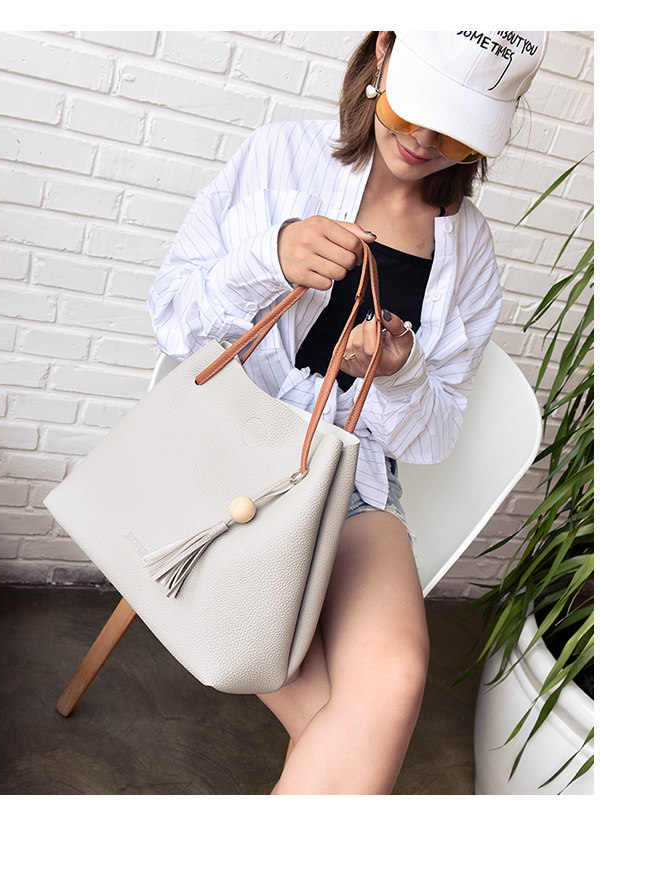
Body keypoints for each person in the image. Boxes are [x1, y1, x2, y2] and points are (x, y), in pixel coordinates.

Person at [147, 30, 548, 795]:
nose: (423, 141)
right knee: (358, 724)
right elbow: (171, 316)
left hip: (350, 476)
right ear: (383, 54)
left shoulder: (471, 254)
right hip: (225, 443)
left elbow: (435, 435)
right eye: (413, 109)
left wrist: (398, 375)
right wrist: (271, 258)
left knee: (394, 676)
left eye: (455, 130)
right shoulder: (279, 159)